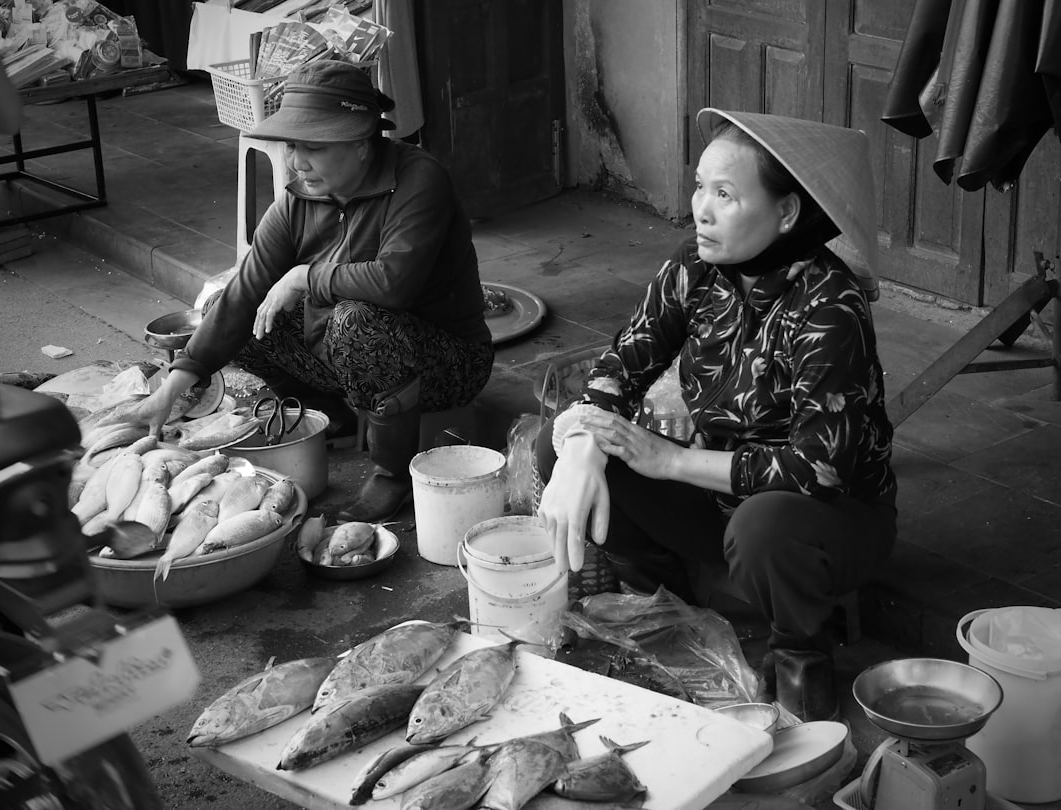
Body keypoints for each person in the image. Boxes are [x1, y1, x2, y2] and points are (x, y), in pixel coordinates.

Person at [535, 109, 897, 722]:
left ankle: (799, 658)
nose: (700, 207)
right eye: (701, 185)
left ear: (785, 213)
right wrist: (584, 443)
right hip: (717, 503)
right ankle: (660, 598)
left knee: (764, 526)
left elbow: (819, 469)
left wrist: (672, 460)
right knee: (561, 445)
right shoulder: (697, 268)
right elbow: (624, 358)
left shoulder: (830, 308)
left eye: (725, 194)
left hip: (826, 523)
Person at [127, 60, 493, 522]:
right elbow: (244, 293)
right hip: (345, 360)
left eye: (314, 148)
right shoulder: (299, 199)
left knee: (356, 319)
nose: (298, 162)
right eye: (295, 146)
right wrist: (174, 385)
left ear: (362, 145)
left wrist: (302, 276)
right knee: (233, 305)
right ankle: (325, 411)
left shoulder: (418, 179)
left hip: (446, 362)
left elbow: (393, 283)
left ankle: (391, 475)